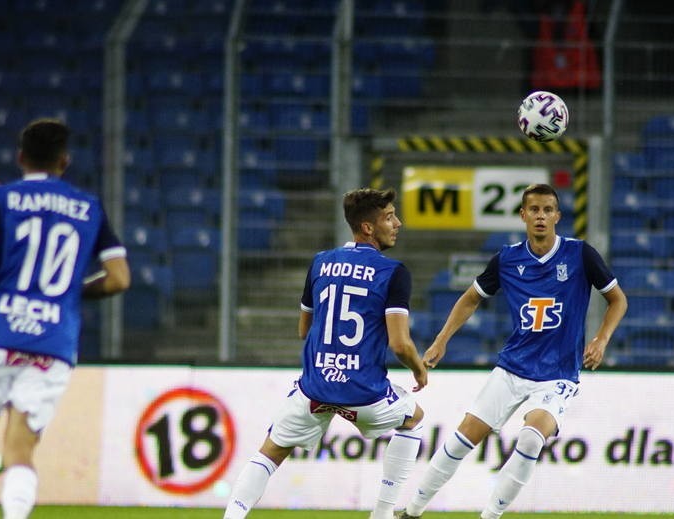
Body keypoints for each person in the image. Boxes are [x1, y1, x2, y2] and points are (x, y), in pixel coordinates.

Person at [396, 183, 627, 519]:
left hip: (557, 375)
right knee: (461, 441)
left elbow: (618, 299)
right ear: (523, 215)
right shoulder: (507, 259)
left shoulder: (580, 254)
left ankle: (490, 516)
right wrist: (442, 339)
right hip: (511, 369)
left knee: (532, 439)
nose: (541, 216)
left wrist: (601, 339)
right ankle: (412, 512)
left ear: (557, 216)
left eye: (548, 210)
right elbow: (470, 297)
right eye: (534, 210)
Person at [0, 118, 130, 519]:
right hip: (52, 340)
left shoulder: (0, 199)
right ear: (65, 161)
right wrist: (71, 292)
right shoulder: (89, 208)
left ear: (21, 157)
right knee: (21, 446)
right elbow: (118, 279)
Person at [223, 187, 428, 519]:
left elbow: (304, 330)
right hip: (365, 393)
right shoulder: (394, 272)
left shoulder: (321, 262)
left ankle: (232, 515)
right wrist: (419, 369)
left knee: (270, 453)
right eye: (390, 217)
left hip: (315, 388)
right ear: (368, 228)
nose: (398, 223)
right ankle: (383, 513)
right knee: (414, 421)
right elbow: (400, 345)